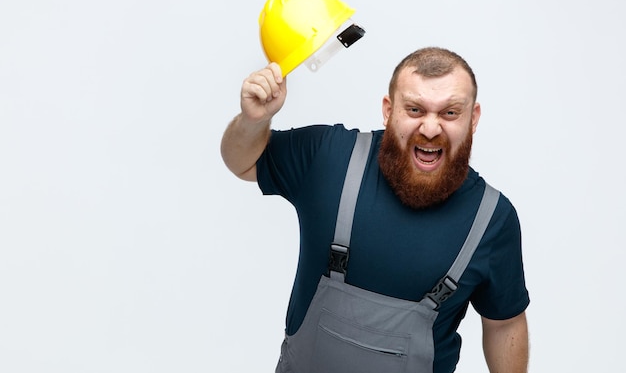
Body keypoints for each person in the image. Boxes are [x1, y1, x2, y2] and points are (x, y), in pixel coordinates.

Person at [221, 47, 530, 373]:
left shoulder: (492, 219)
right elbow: (242, 162)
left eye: (450, 113)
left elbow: (504, 325)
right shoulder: (330, 157)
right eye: (414, 109)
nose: (430, 128)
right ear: (388, 109)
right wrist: (254, 120)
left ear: (473, 118)